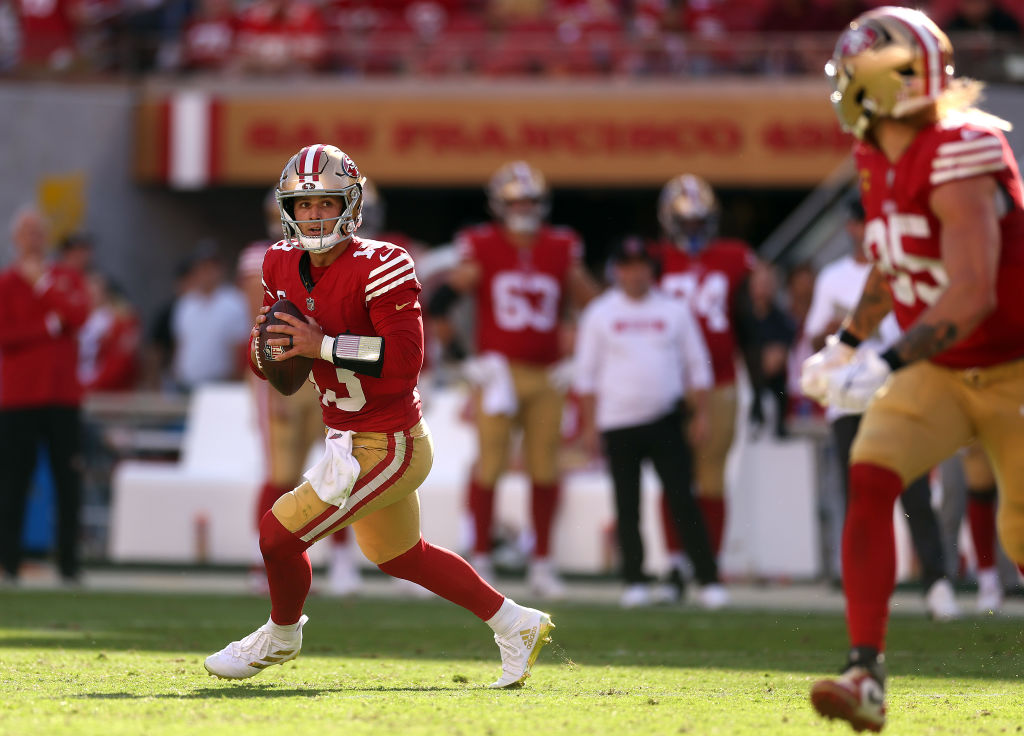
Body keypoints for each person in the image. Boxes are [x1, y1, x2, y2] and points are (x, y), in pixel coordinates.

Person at [205, 144, 555, 688]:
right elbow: (274, 356)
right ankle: (517, 624)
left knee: (278, 537)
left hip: (391, 442)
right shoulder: (279, 262)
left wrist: (321, 346)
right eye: (303, 205)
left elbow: (405, 360)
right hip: (346, 438)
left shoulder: (384, 263)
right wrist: (267, 351)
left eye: (325, 203)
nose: (314, 215)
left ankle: (280, 635)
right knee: (400, 555)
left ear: (351, 204)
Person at [802, 7, 1024, 731]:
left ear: (882, 81)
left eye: (849, 76)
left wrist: (885, 357)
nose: (840, 89)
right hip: (942, 365)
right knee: (870, 474)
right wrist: (846, 339)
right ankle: (864, 672)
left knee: (1020, 537)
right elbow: (892, 264)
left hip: (1014, 367)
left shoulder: (962, 147)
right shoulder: (879, 155)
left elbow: (972, 290)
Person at [426, 160, 599, 599]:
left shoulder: (562, 247)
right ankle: (481, 557)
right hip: (498, 375)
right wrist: (465, 358)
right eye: (515, 201)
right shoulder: (482, 247)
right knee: (490, 464)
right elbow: (440, 303)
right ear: (499, 205)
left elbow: (595, 309)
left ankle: (542, 562)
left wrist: (580, 355)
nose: (523, 208)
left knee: (545, 467)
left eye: (529, 200)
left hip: (548, 376)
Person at [803, 197, 960, 621]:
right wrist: (838, 336)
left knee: (913, 491)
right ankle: (866, 589)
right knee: (861, 497)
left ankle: (936, 581)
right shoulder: (833, 277)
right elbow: (816, 335)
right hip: (848, 401)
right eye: (857, 224)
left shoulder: (905, 271)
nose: (862, 231)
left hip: (897, 389)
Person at [573, 237, 727, 609]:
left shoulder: (674, 310)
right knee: (627, 504)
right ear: (617, 271)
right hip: (618, 421)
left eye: (641, 265)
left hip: (666, 419)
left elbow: (697, 366)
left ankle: (707, 579)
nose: (635, 273)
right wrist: (590, 426)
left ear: (651, 269)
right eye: (627, 265)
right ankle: (635, 579)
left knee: (682, 500)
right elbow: (586, 376)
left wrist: (701, 415)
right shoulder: (600, 313)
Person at [237, 191, 362, 597]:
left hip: (330, 370)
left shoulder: (342, 257)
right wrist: (271, 384)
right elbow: (258, 325)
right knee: (281, 472)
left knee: (340, 467)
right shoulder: (264, 256)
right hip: (285, 374)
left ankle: (342, 560)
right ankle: (267, 561)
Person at [651, 173, 758, 596]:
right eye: (685, 222)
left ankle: (708, 564)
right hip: (668, 382)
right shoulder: (654, 259)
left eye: (700, 222)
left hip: (720, 379)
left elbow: (748, 322)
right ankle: (677, 563)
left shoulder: (735, 257)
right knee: (673, 475)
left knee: (711, 476)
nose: (693, 230)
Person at [0, 205, 91, 584]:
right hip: (18, 399)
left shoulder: (64, 278)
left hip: (62, 397)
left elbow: (79, 315)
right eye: (27, 232)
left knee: (67, 481)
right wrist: (49, 325)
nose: (33, 238)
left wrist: (44, 287)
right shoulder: (6, 283)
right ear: (15, 239)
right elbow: (6, 336)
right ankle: (9, 564)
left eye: (38, 231)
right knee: (12, 482)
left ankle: (69, 566)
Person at [170, 239, 250, 392]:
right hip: (185, 385)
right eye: (201, 267)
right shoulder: (186, 303)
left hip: (219, 385)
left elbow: (240, 348)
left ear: (220, 269)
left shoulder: (234, 302)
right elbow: (180, 344)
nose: (205, 273)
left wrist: (234, 383)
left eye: (210, 267)